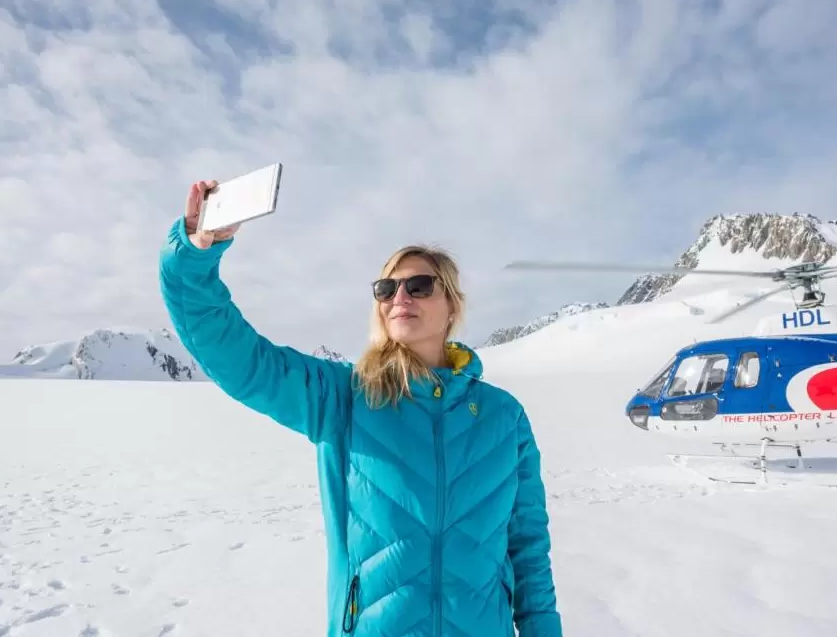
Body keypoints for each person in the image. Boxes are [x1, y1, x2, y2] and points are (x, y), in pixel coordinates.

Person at [158, 179, 563, 637]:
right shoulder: (345, 397)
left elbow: (528, 549)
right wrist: (194, 253)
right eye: (387, 288)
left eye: (419, 285)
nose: (400, 297)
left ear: (452, 304)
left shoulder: (503, 416)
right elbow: (240, 359)